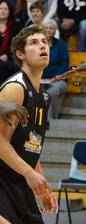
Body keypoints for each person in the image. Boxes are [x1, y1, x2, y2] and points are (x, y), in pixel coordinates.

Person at [0, 24, 58, 222]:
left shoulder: (45, 97)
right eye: (34, 43)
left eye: (44, 42)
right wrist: (30, 174)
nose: (43, 46)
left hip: (19, 181)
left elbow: (31, 147)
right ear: (20, 54)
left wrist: (41, 186)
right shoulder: (16, 88)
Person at [41, 20, 69, 121]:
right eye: (46, 28)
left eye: (51, 28)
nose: (48, 30)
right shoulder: (36, 45)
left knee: (52, 92)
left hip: (57, 79)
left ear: (54, 31)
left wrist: (55, 78)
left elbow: (64, 65)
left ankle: (50, 121)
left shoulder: (60, 45)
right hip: (39, 80)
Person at [0, 0, 21, 84]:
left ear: (10, 11)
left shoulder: (16, 25)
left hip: (11, 57)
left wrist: (7, 55)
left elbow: (18, 44)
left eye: (5, 9)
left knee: (13, 66)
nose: (3, 11)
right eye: (1, 8)